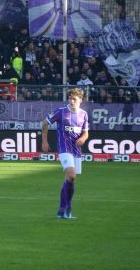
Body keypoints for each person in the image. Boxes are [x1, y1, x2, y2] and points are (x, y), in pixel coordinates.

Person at [41, 88, 89, 219]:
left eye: (75, 99)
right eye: (70, 98)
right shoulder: (61, 112)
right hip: (64, 148)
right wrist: (44, 142)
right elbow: (44, 123)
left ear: (80, 100)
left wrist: (83, 139)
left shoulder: (83, 114)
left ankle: (63, 209)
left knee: (70, 179)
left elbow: (86, 131)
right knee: (71, 175)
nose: (72, 101)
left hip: (76, 150)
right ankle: (67, 207)